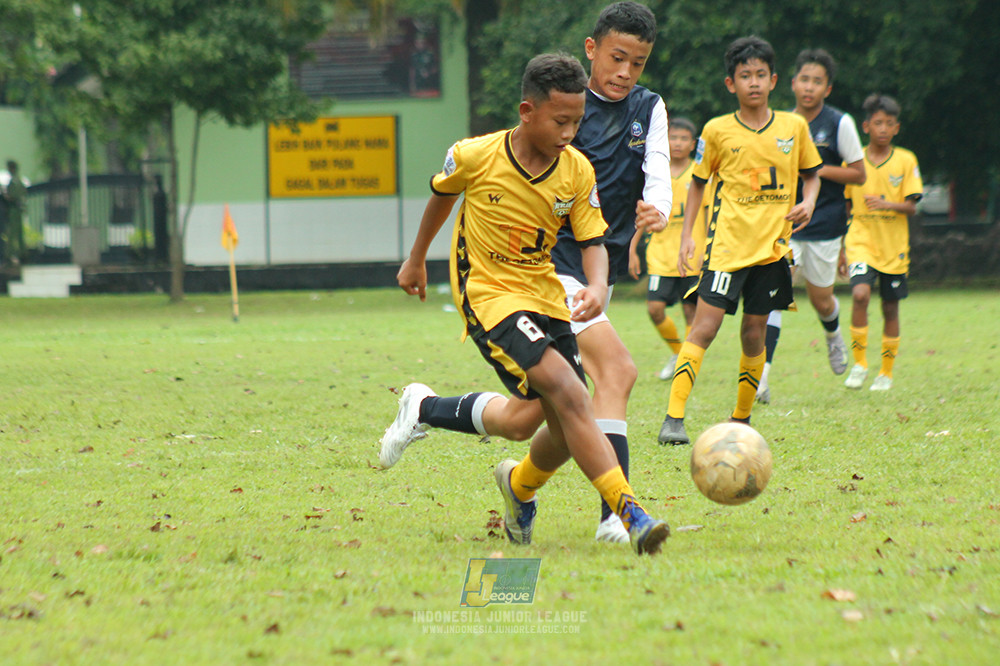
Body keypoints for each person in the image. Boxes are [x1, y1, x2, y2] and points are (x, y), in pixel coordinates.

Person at [380, 2, 671, 544]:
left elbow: (592, 239)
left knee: (536, 422)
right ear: (527, 111)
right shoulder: (475, 155)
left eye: (577, 122)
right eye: (561, 121)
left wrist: (600, 285)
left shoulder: (576, 170)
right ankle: (629, 514)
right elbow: (441, 198)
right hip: (489, 293)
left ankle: (491, 464)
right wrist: (416, 258)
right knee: (570, 389)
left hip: (544, 292)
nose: (570, 132)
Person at [657, 36, 822, 445]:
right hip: (727, 249)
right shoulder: (716, 131)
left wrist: (810, 202)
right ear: (730, 83)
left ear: (773, 80)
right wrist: (687, 241)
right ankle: (673, 419)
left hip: (772, 252)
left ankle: (741, 420)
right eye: (744, 75)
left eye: (760, 75)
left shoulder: (793, 127)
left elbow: (812, 174)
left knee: (754, 333)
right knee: (704, 328)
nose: (753, 82)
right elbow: (696, 185)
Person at [755, 49, 867, 404]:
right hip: (784, 223)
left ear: (827, 89)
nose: (809, 87)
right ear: (791, 84)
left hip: (826, 222)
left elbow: (859, 173)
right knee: (774, 298)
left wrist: (814, 169)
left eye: (817, 81)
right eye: (804, 79)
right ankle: (762, 378)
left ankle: (833, 335)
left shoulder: (839, 123)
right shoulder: (780, 123)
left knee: (821, 300)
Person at [842, 94, 922, 391]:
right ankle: (860, 364)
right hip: (860, 241)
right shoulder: (853, 163)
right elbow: (846, 209)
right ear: (866, 126)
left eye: (889, 123)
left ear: (897, 127)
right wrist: (841, 247)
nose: (883, 129)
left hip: (894, 248)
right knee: (860, 294)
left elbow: (912, 206)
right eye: (878, 123)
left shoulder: (906, 160)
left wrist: (887, 204)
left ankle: (885, 372)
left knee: (890, 308)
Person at [628, 116, 706, 381]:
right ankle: (679, 352)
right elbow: (645, 212)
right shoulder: (654, 175)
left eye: (684, 138)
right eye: (673, 137)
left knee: (690, 311)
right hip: (660, 256)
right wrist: (632, 248)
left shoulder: (699, 173)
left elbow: (710, 213)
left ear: (693, 143)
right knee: (654, 309)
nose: (678, 143)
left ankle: (687, 362)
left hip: (693, 256)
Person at [3, 160, 27, 266]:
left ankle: (12, 255)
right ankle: (21, 253)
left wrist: (6, 196)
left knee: (13, 233)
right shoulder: (17, 181)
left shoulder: (15, 182)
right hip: (16, 210)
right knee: (18, 233)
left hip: (14, 210)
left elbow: (14, 197)